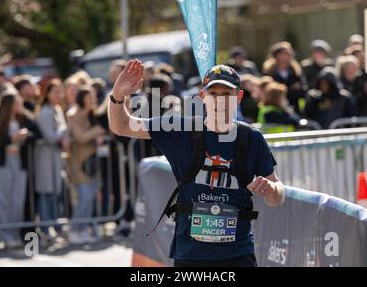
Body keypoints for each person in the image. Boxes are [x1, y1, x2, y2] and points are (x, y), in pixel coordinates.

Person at [108, 60, 285, 267]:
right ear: (203, 97)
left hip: (238, 254)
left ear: (238, 98)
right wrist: (118, 96)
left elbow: (277, 195)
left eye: (227, 95)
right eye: (213, 94)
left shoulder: (251, 138)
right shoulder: (180, 129)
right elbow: (121, 126)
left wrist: (271, 188)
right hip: (191, 255)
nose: (219, 101)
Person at [0, 92, 41, 248]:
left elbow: (37, 135)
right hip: (2, 164)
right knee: (2, 200)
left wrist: (25, 136)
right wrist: (11, 139)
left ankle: (14, 233)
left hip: (20, 163)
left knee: (17, 200)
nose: (19, 105)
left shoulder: (25, 118)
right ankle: (3, 235)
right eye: (16, 102)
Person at [66, 87, 106, 244]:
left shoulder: (93, 115)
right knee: (84, 197)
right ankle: (74, 229)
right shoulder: (72, 115)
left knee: (90, 198)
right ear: (82, 98)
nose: (93, 100)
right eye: (90, 97)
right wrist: (96, 130)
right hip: (78, 163)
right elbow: (80, 137)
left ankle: (82, 230)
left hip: (93, 163)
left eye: (94, 97)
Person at [35, 80, 69, 242]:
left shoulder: (57, 110)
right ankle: (46, 229)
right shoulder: (45, 112)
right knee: (47, 194)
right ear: (47, 94)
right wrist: (64, 130)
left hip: (56, 158)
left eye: (59, 92)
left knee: (55, 195)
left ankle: (54, 228)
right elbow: (50, 137)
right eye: (55, 92)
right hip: (46, 159)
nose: (58, 95)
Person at [262, 42, 306, 114]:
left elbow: (303, 90)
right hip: (274, 109)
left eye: (289, 54)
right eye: (284, 53)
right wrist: (290, 88)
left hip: (293, 108)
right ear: (276, 55)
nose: (287, 56)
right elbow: (266, 90)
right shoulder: (269, 71)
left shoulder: (296, 71)